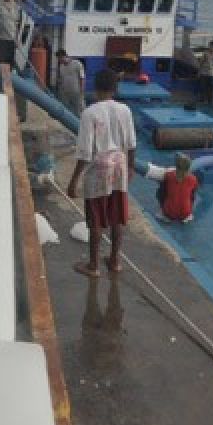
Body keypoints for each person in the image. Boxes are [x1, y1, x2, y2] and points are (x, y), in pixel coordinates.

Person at [67, 68, 136, 277]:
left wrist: (74, 180)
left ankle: (94, 265)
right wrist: (131, 167)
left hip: (99, 168)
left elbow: (85, 152)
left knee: (95, 218)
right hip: (120, 165)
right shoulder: (125, 110)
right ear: (115, 88)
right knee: (116, 216)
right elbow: (131, 144)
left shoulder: (90, 113)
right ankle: (115, 261)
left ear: (95, 88)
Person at [145, 153, 199, 222]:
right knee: (190, 195)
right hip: (186, 213)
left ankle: (164, 215)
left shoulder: (169, 175)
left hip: (169, 213)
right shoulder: (193, 179)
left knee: (160, 191)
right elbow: (193, 196)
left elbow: (161, 193)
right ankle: (187, 216)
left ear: (176, 166)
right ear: (189, 168)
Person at [54, 48, 85, 116]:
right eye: (58, 59)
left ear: (64, 56)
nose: (59, 60)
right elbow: (61, 79)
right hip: (65, 94)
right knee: (67, 112)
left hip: (76, 93)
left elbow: (82, 78)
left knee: (79, 111)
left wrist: (81, 91)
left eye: (60, 58)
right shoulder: (61, 66)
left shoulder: (77, 64)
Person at [198, 40, 213, 106]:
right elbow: (201, 63)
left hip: (212, 74)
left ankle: (211, 101)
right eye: (209, 46)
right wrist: (199, 72)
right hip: (204, 73)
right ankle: (205, 100)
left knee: (212, 88)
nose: (209, 47)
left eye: (211, 46)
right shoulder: (205, 53)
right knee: (203, 87)